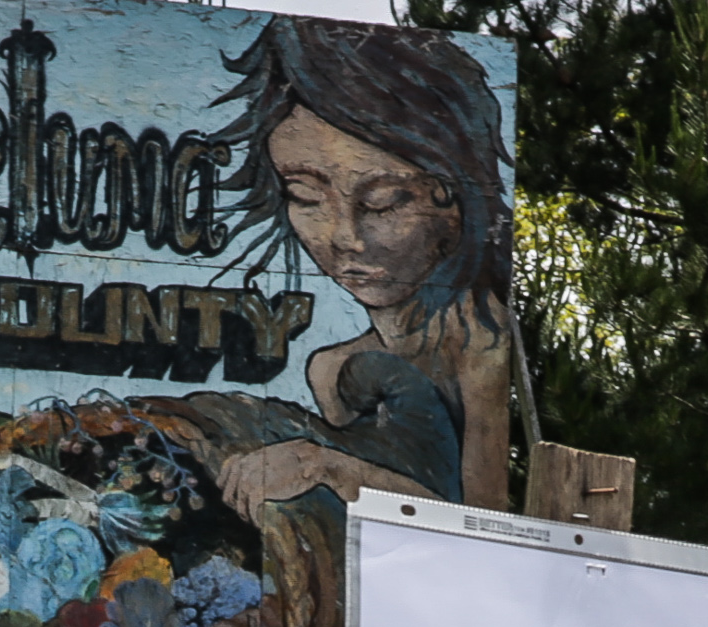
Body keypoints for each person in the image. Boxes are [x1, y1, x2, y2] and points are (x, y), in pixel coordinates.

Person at [202, 16, 515, 518]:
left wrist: (327, 466)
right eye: (306, 196)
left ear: (451, 202)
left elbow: (480, 529)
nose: (344, 237)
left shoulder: (481, 338)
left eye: (383, 202)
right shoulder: (331, 369)